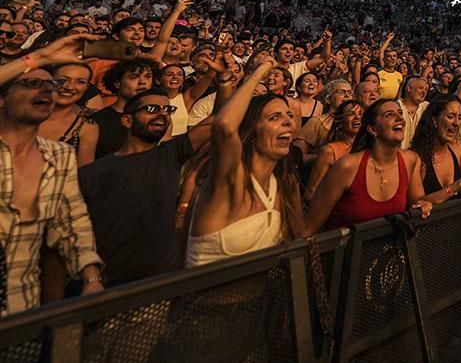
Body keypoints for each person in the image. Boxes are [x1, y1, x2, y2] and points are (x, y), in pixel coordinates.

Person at [0, 33, 104, 315]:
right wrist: (41, 58)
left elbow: (73, 220)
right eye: (32, 84)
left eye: (50, 86)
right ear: (4, 98)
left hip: (20, 308)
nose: (46, 91)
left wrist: (91, 279)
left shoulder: (59, 156)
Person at [78, 88, 213, 285]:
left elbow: (220, 121)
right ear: (127, 121)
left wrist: (225, 79)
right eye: (152, 108)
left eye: (167, 110)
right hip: (105, 289)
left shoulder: (170, 155)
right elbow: (74, 237)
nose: (162, 114)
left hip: (156, 286)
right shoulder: (92, 173)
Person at [185, 60, 303, 266]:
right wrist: (261, 71)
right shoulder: (232, 177)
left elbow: (301, 238)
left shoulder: (285, 184)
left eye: (289, 116)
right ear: (252, 129)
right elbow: (224, 126)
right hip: (207, 298)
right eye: (274, 117)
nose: (287, 122)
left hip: (263, 297)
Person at [302, 99, 433, 233]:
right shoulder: (348, 166)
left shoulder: (410, 160)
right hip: (345, 251)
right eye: (389, 115)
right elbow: (310, 226)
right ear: (372, 129)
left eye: (400, 113)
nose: (399, 118)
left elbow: (417, 204)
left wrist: (425, 205)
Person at [38, 62, 100, 165]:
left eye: (80, 82)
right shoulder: (23, 113)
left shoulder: (87, 128)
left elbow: (84, 174)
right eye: (62, 80)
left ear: (87, 87)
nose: (69, 87)